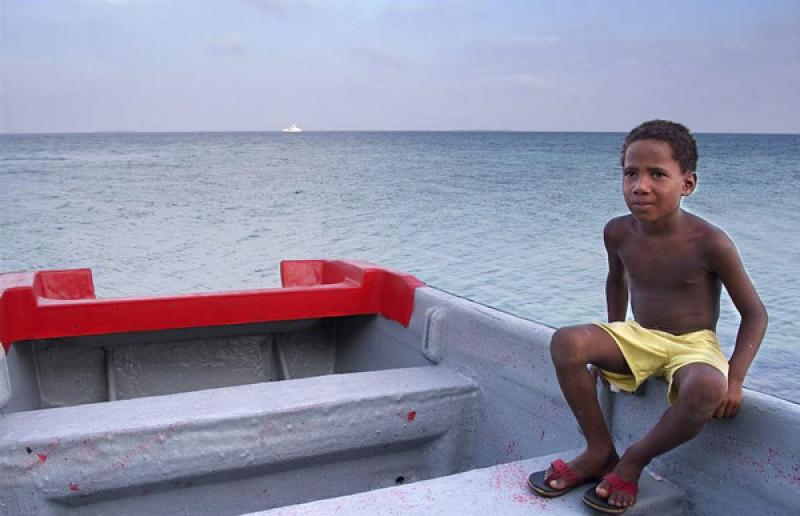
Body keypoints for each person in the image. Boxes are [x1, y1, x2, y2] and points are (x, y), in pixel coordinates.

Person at [527, 120, 768, 514]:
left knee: (708, 386)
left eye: (657, 174)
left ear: (687, 184)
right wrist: (613, 334)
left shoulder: (711, 242)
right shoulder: (618, 232)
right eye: (630, 173)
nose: (640, 186)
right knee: (567, 342)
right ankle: (599, 451)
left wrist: (736, 377)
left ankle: (633, 461)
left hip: (693, 344)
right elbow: (616, 281)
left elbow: (755, 315)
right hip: (640, 337)